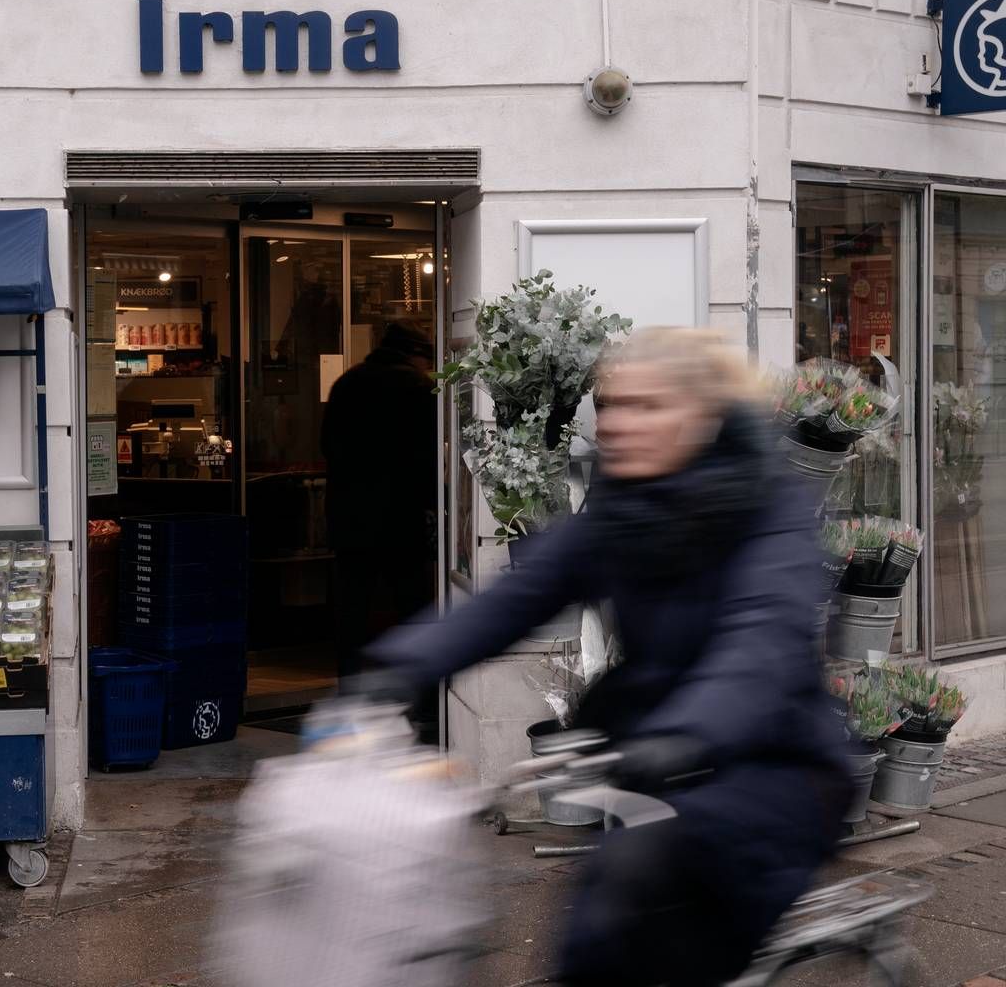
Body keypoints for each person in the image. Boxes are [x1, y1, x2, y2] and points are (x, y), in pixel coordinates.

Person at [365, 328, 851, 986]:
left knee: (647, 913)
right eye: (614, 404)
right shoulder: (621, 509)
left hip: (774, 767)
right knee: (591, 936)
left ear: (702, 417)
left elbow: (759, 642)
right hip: (662, 761)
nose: (618, 424)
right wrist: (395, 669)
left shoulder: (769, 510)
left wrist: (686, 733)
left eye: (647, 407)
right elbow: (518, 598)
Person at [322, 323, 437, 684]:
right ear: (415, 354)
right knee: (413, 604)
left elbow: (328, 445)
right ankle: (421, 689)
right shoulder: (417, 387)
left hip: (349, 514)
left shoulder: (347, 382)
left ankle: (349, 680)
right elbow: (426, 454)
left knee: (352, 604)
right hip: (400, 514)